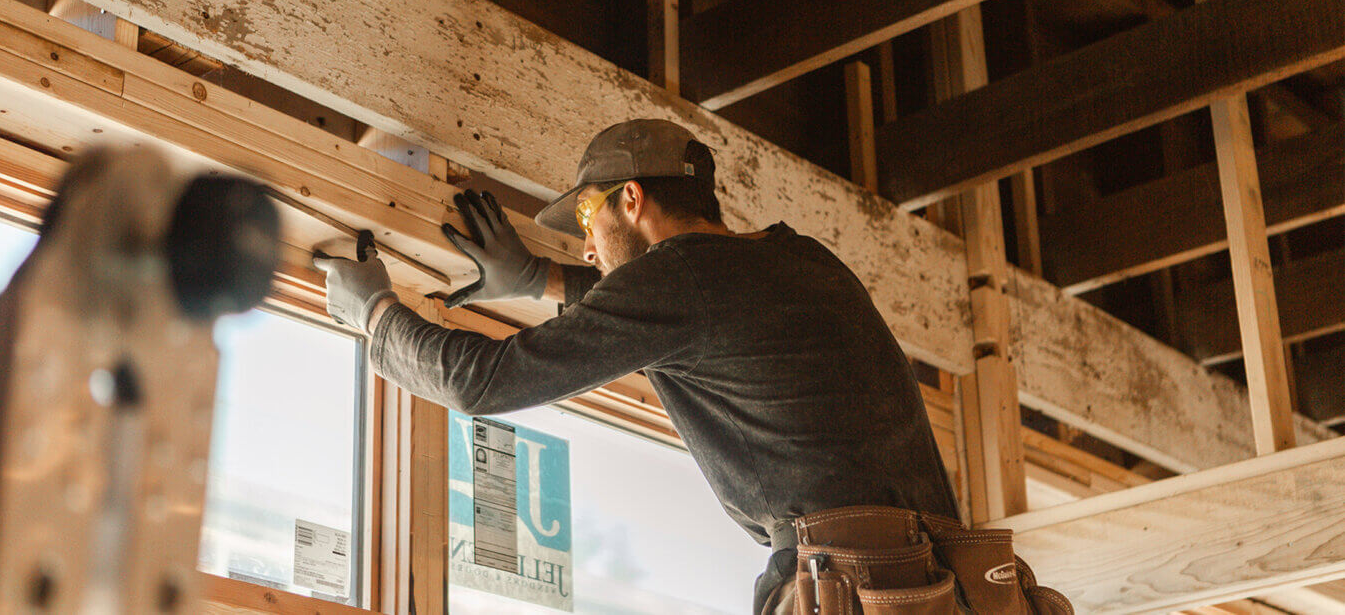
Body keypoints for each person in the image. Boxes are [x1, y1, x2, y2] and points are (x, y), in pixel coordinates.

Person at [315, 119, 1067, 614]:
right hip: (949, 587)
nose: (584, 244)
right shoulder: (799, 259)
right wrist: (538, 282)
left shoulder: (685, 280)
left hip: (851, 582)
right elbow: (689, 321)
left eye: (585, 219)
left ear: (632, 198)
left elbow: (482, 381)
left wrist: (376, 316)